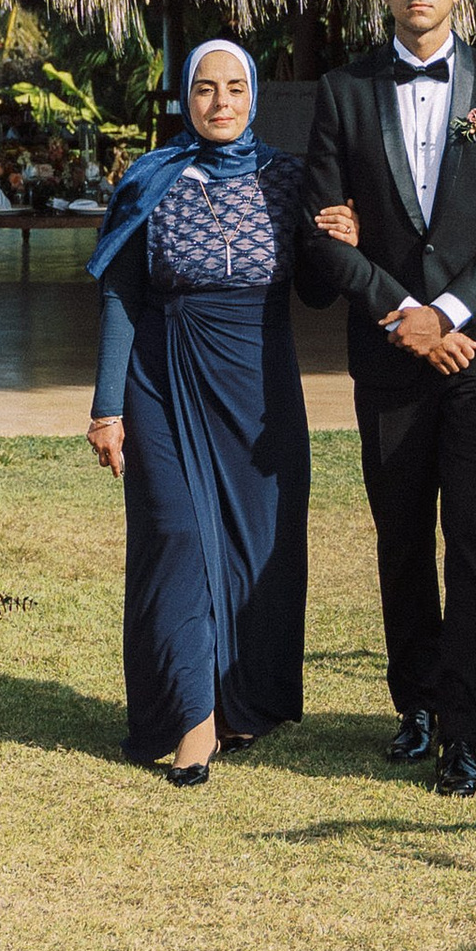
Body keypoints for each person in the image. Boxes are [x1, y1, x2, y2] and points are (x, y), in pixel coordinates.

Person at [302, 0, 476, 797]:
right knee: (401, 535)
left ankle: (464, 732)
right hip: (388, 352)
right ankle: (413, 706)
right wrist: (401, 313)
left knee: (475, 539)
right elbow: (324, 228)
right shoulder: (342, 92)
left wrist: (444, 312)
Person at [85, 40, 327, 782]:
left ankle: (243, 702)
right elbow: (124, 292)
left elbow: (316, 292)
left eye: (233, 88)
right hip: (164, 373)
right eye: (203, 89)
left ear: (253, 96)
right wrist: (106, 406)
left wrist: (337, 238)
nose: (219, 102)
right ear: (185, 99)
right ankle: (191, 721)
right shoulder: (150, 178)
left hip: (261, 387)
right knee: (179, 537)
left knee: (260, 548)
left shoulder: (291, 179)